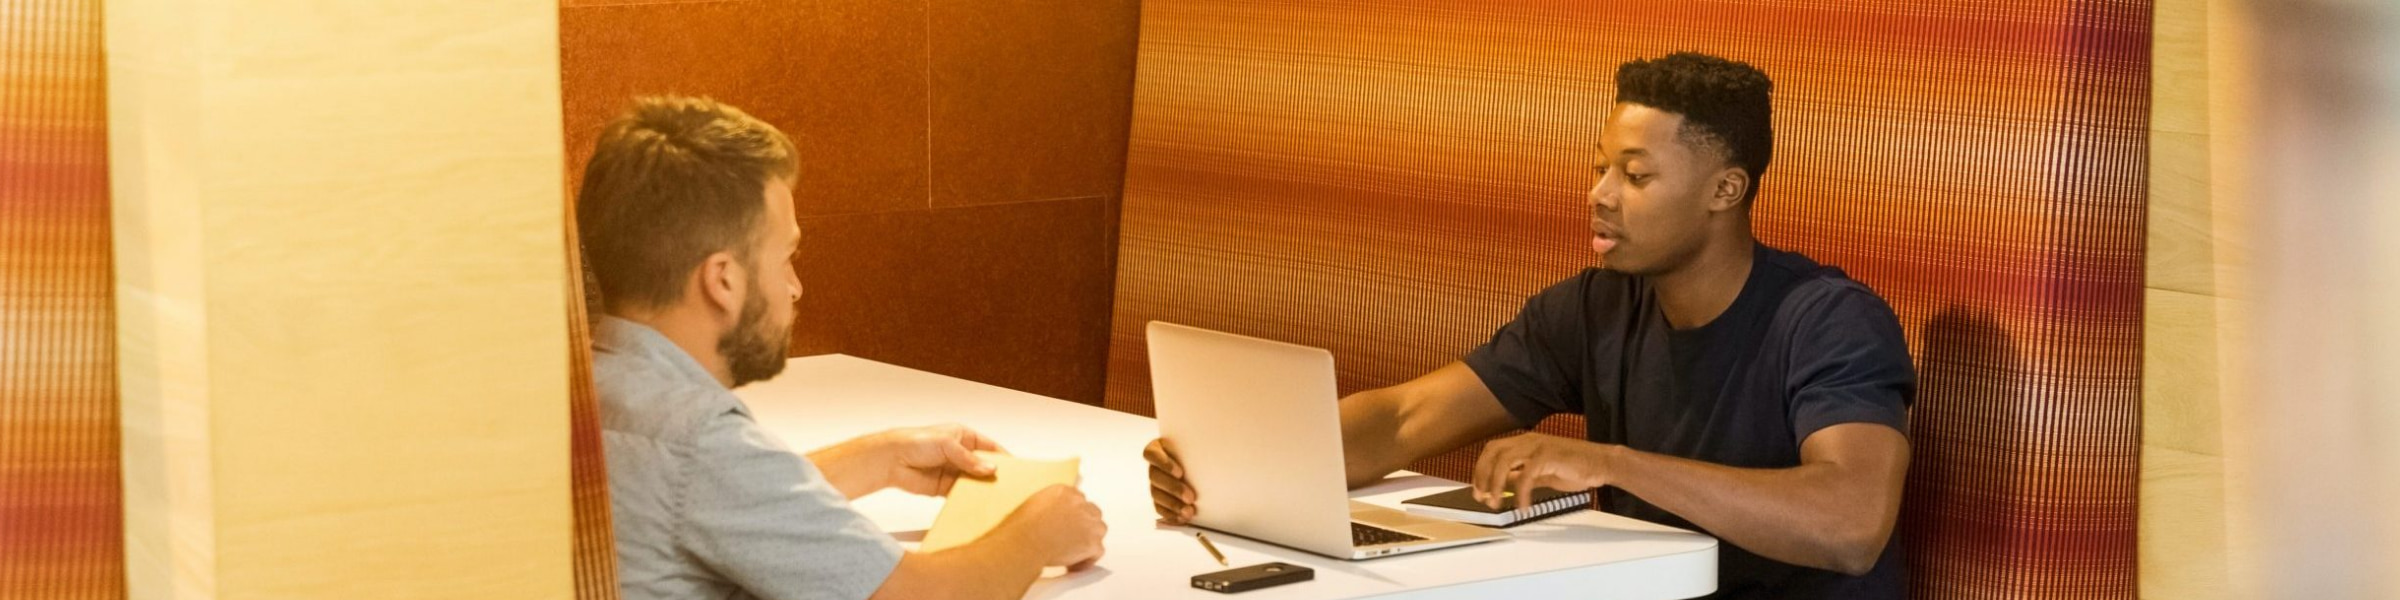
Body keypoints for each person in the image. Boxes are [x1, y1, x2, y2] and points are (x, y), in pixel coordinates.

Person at [1143, 52, 1914, 599]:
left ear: (1726, 190)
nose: (1601, 194)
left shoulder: (1829, 321)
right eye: (1600, 166)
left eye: (1636, 176)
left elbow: (1849, 524)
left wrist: (1612, 463)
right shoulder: (1593, 306)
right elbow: (1407, 416)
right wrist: (1228, 465)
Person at [578, 95, 1106, 600]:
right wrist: (1038, 532)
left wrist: (881, 459)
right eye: (786, 256)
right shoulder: (701, 440)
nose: (795, 286)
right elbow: (920, 597)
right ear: (724, 281)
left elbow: (716, 496)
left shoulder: (596, 392)